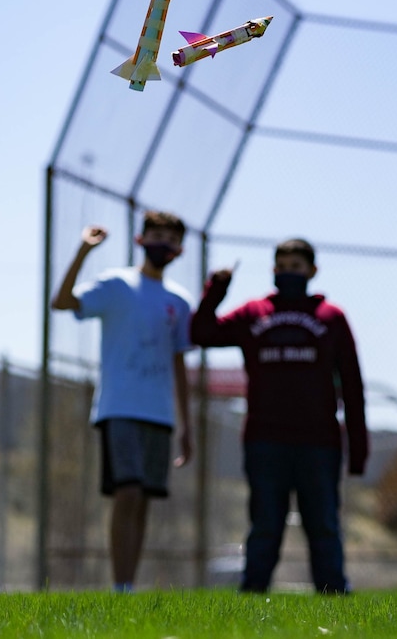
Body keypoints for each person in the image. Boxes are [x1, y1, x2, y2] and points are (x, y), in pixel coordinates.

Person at [190, 238, 369, 594]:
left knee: (323, 524)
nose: (289, 273)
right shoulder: (254, 313)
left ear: (312, 271)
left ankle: (334, 596)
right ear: (273, 270)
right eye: (282, 266)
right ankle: (253, 594)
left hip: (319, 441)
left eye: (296, 267)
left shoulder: (332, 318)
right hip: (265, 439)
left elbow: (352, 383)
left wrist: (359, 448)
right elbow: (201, 333)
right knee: (265, 524)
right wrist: (216, 291)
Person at [51, 210, 194, 593]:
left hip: (159, 414)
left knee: (144, 498)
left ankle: (128, 586)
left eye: (170, 237)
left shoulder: (179, 303)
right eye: (156, 234)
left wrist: (186, 425)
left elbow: (179, 363)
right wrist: (83, 250)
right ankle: (121, 586)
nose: (162, 243)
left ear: (179, 250)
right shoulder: (116, 285)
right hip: (119, 408)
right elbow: (61, 302)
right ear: (140, 239)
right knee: (127, 492)